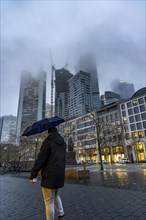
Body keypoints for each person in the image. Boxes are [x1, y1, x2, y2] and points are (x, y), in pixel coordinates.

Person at [29, 127, 66, 220]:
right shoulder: (63, 143)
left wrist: (33, 175)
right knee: (56, 195)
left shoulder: (47, 142)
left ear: (48, 133)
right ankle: (61, 215)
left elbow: (40, 160)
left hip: (49, 176)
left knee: (48, 201)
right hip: (59, 175)